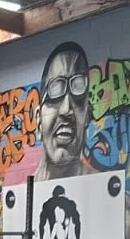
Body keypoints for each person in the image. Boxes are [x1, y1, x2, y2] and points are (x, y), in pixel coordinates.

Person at [35, 42, 93, 181]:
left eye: (78, 97)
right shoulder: (23, 197)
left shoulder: (106, 191)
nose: (66, 110)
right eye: (55, 93)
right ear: (38, 122)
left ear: (87, 117)